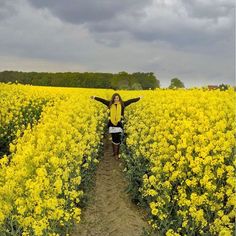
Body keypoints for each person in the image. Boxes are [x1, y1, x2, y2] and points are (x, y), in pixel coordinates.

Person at [90, 93, 143, 160]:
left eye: (117, 98)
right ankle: (114, 152)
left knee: (117, 139)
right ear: (113, 99)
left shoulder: (123, 104)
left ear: (119, 98)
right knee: (113, 137)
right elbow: (102, 100)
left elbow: (131, 101)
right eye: (115, 98)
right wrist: (94, 97)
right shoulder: (110, 104)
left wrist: (139, 98)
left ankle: (116, 154)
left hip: (119, 123)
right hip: (111, 123)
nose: (116, 99)